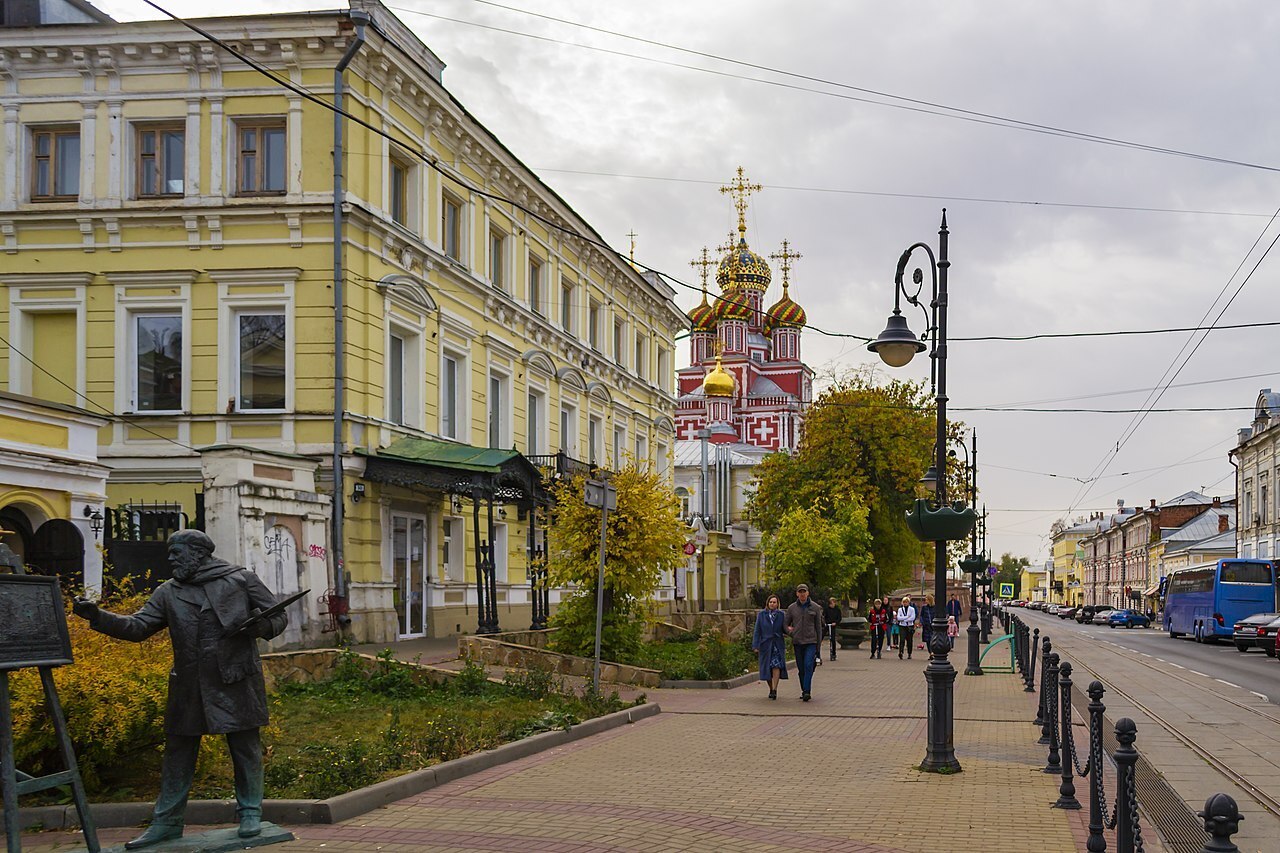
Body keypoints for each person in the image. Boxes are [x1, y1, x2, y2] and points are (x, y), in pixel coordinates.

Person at [72, 529, 286, 849]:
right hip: (189, 683)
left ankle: (250, 812)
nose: (170, 558)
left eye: (177, 552)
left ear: (198, 553)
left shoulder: (240, 579)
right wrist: (98, 616)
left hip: (235, 679)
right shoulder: (168, 592)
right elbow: (138, 627)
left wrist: (261, 626)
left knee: (245, 749)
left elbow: (278, 615)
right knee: (178, 754)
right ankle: (166, 823)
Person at [784, 583, 824, 701]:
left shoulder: (815, 607)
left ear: (808, 593)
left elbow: (818, 627)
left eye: (804, 592)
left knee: (808, 665)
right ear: (797, 594)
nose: (802, 594)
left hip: (811, 641)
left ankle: (807, 691)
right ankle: (804, 689)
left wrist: (818, 646)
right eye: (800, 592)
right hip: (797, 642)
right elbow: (785, 624)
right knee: (801, 668)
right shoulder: (792, 608)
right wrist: (791, 632)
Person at [752, 594, 788, 699]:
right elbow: (757, 630)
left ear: (777, 604)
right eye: (771, 602)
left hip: (777, 644)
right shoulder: (762, 615)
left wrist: (790, 631)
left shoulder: (781, 615)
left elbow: (785, 628)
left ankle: (775, 689)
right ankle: (771, 688)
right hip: (765, 644)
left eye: (774, 602)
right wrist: (756, 645)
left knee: (776, 665)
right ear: (768, 603)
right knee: (767, 667)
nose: (772, 604)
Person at [823, 597, 842, 661]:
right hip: (827, 625)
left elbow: (839, 618)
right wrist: (824, 623)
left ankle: (833, 653)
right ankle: (817, 653)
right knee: (821, 637)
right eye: (830, 603)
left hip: (833, 625)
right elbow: (823, 616)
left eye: (833, 603)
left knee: (833, 639)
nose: (831, 605)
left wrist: (836, 623)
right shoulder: (826, 609)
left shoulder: (837, 610)